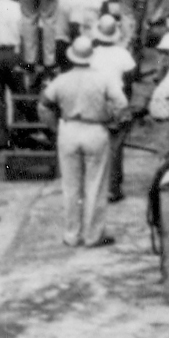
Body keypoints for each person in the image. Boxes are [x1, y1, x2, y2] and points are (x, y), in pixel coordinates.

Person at [43, 35, 126, 248]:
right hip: (95, 129)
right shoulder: (103, 78)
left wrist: (54, 128)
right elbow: (121, 104)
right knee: (95, 185)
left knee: (71, 186)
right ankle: (93, 235)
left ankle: (71, 234)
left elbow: (44, 105)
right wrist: (113, 120)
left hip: (69, 128)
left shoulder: (61, 80)